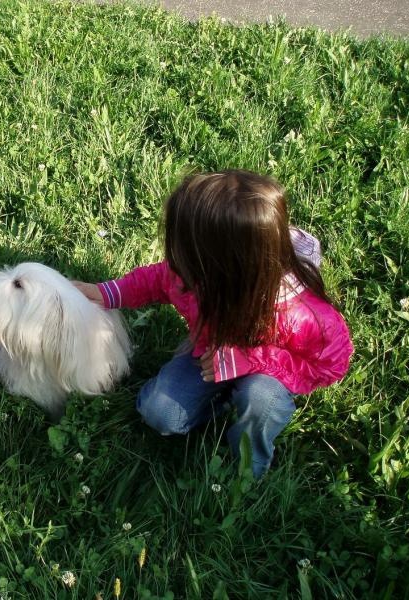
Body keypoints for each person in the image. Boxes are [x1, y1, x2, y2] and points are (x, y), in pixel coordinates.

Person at [75, 170, 353, 478]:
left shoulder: (302, 313)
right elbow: (157, 280)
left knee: (260, 398)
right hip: (209, 354)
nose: (177, 258)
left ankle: (249, 468)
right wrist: (105, 293)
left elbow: (331, 366)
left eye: (187, 250)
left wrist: (250, 359)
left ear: (227, 265)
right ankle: (220, 401)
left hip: (267, 373)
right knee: (158, 413)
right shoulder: (194, 274)